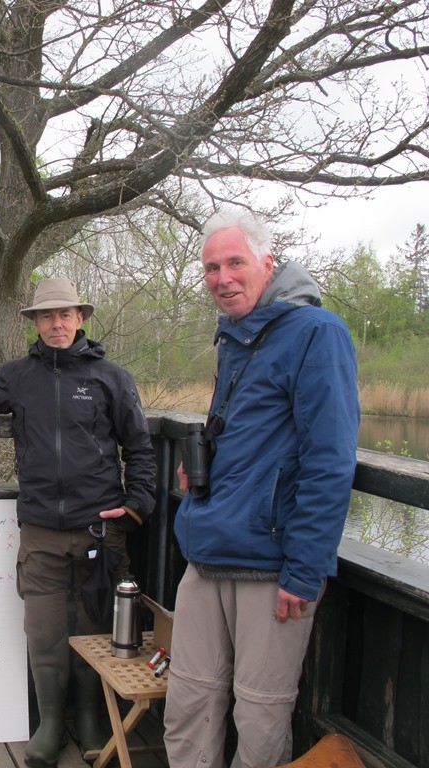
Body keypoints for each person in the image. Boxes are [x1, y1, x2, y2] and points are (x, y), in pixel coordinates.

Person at [0, 278, 156, 768]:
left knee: (96, 632)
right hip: (41, 532)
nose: (56, 324)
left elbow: (140, 450)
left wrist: (135, 507)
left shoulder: (112, 377)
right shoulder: (18, 376)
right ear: (36, 323)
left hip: (99, 531)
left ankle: (90, 719)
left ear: (80, 318)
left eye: (65, 314)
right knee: (43, 634)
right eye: (47, 316)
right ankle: (50, 723)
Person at [163, 208, 360, 768]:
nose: (222, 278)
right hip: (208, 550)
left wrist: (305, 569)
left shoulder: (317, 333)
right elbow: (254, 430)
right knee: (188, 702)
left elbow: (329, 460)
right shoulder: (236, 335)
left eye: (235, 263)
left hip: (272, 566)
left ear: (268, 263)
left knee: (260, 715)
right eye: (211, 268)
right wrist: (205, 461)